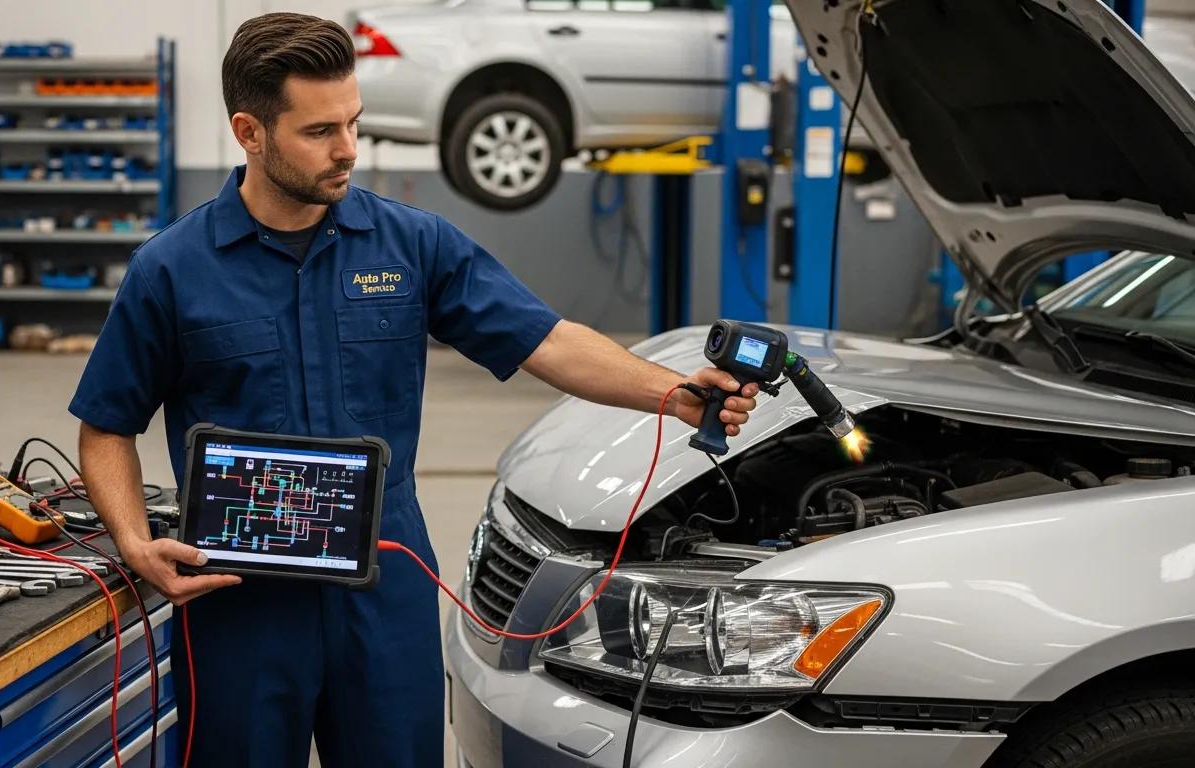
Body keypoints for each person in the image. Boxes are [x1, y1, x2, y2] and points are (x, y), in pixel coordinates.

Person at [69, 12, 759, 768]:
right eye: (320, 131)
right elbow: (107, 426)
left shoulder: (411, 245)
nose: (348, 151)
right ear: (250, 132)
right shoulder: (170, 270)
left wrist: (675, 394)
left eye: (354, 123)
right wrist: (137, 546)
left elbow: (548, 340)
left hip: (385, 581)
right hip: (240, 597)